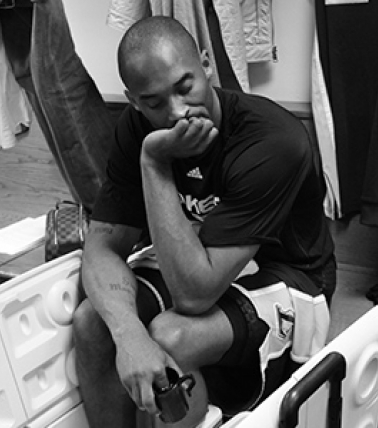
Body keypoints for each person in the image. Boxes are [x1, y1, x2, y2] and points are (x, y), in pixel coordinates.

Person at [72, 16, 336, 428]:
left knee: (170, 337)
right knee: (92, 323)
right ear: (133, 101)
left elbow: (194, 296)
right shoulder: (135, 128)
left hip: (292, 274)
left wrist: (154, 163)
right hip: (200, 255)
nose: (177, 112)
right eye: (154, 102)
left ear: (207, 64)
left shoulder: (272, 140)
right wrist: (127, 335)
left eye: (185, 87)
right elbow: (103, 245)